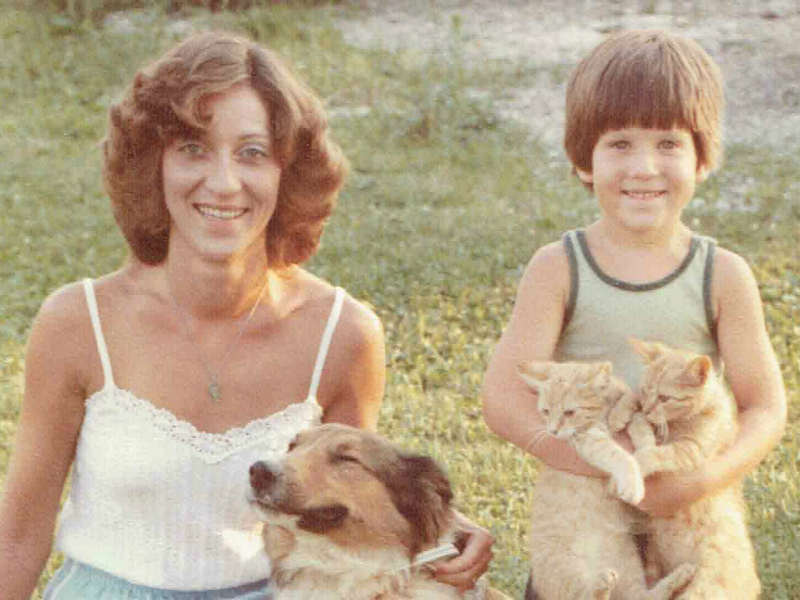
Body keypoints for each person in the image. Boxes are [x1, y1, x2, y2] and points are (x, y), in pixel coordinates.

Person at [0, 31, 492, 599]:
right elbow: (18, 534)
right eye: (192, 148)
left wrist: (444, 527)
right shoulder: (77, 322)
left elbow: (350, 504)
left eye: (252, 153)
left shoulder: (344, 335)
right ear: (151, 164)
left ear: (289, 173)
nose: (223, 181)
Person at [480, 29, 787, 598]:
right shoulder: (559, 267)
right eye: (619, 144)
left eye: (668, 144)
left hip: (689, 505)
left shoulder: (722, 274)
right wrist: (602, 462)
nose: (644, 167)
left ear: (702, 159)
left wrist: (698, 480)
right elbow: (502, 397)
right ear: (583, 161)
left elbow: (764, 406)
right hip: (584, 512)